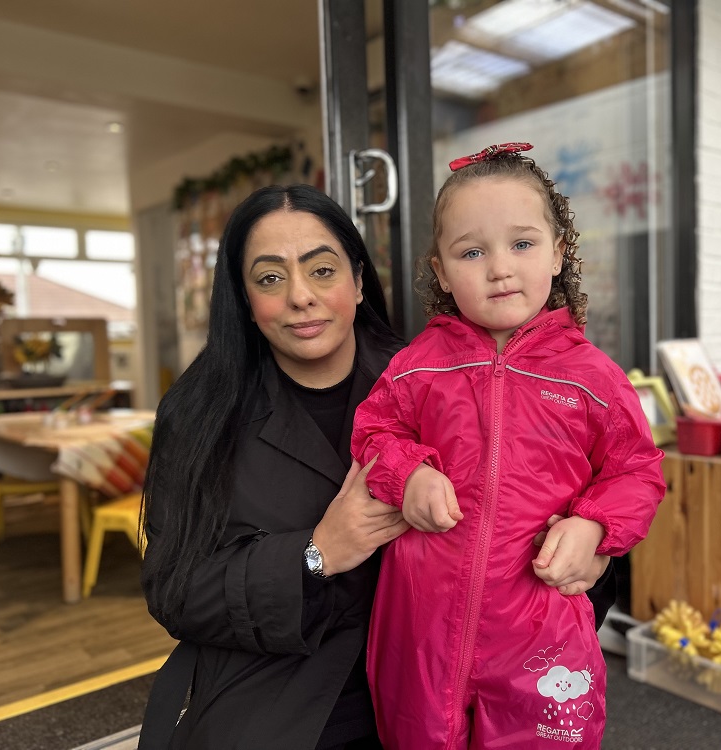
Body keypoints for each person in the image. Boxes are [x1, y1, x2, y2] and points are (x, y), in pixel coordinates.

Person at [138, 183, 612, 750]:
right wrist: (315, 555)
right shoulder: (201, 415)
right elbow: (175, 591)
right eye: (269, 278)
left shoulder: (438, 377)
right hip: (274, 691)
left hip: (447, 675)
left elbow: (592, 497)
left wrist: (595, 552)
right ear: (243, 299)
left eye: (322, 270)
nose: (300, 297)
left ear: (359, 281)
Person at [351, 143, 666, 749]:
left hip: (541, 636)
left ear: (558, 252)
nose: (500, 267)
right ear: (441, 271)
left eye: (522, 243)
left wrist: (596, 528)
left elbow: (637, 472)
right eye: (472, 251)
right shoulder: (416, 370)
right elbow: (374, 435)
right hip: (419, 635)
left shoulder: (594, 377)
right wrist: (409, 474)